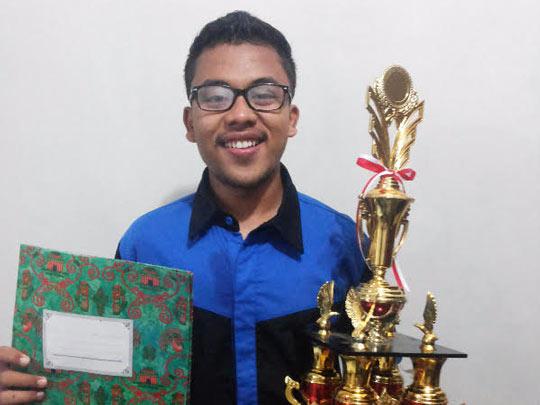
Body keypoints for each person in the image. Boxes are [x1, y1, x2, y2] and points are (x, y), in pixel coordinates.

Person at [0, 11, 368, 405]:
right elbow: (110, 385)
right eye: (215, 97)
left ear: (290, 118)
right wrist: (34, 386)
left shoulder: (343, 243)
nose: (241, 114)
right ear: (190, 122)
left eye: (264, 94)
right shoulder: (146, 245)